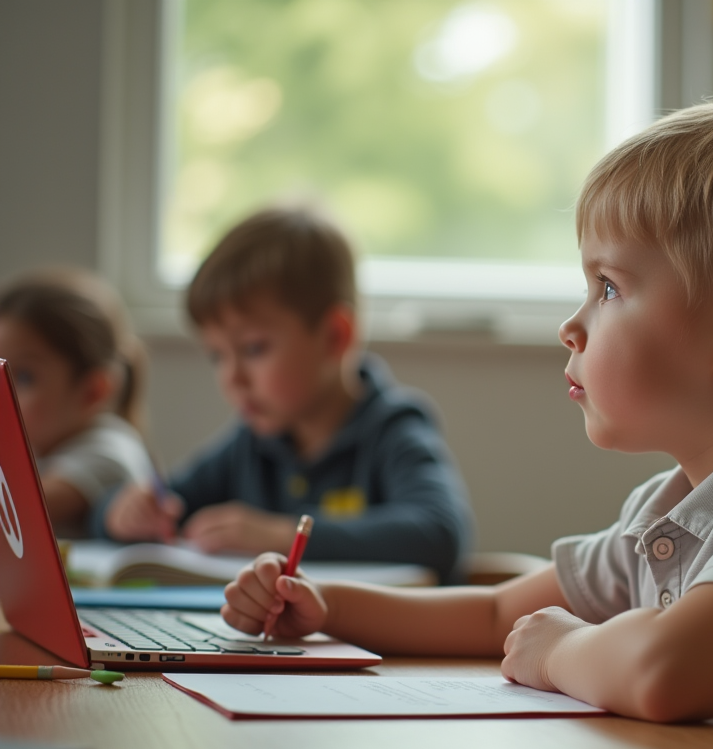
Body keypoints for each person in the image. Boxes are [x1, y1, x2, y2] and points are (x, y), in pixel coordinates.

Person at [221, 96, 713, 749]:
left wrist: (561, 652)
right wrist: (325, 607)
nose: (571, 325)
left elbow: (667, 672)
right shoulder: (669, 513)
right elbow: (492, 613)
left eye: (609, 287)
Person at [95, 206, 473, 584]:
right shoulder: (252, 443)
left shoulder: (392, 428)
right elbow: (162, 504)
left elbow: (439, 533)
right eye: (217, 356)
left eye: (254, 348)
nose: (233, 377)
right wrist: (122, 511)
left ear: (334, 337)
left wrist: (282, 536)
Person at [0, 269, 154, 538]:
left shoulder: (111, 452)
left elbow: (21, 509)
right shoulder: (37, 446)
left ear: (93, 391)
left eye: (24, 377)